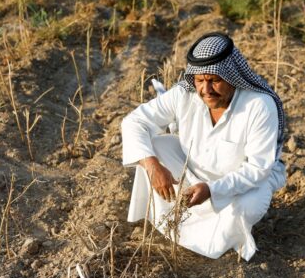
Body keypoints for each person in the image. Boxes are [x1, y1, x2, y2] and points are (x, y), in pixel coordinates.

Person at [121, 32, 286, 261]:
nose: (206, 89)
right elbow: (134, 122)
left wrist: (211, 189)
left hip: (243, 183)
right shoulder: (184, 94)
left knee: (248, 205)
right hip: (194, 170)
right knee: (155, 147)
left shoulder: (259, 105)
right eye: (200, 80)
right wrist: (152, 166)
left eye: (214, 80)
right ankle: (170, 225)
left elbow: (258, 169)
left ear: (232, 77)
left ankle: (220, 243)